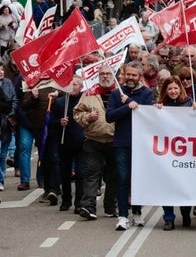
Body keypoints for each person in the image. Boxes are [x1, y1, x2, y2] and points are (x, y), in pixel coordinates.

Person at [106, 61, 155, 231]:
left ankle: (137, 212)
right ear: (124, 75)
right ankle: (123, 216)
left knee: (139, 180)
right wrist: (127, 106)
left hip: (141, 144)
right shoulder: (115, 93)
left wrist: (132, 102)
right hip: (122, 143)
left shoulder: (147, 93)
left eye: (134, 75)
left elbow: (149, 115)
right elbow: (109, 116)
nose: (131, 78)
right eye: (129, 74)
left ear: (140, 76)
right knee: (123, 179)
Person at [73, 65, 118, 220]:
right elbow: (77, 113)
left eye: (108, 74)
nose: (105, 76)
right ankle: (88, 207)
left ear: (113, 75)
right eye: (102, 74)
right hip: (93, 141)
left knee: (113, 176)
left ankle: (111, 207)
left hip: (115, 141)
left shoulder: (119, 93)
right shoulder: (90, 93)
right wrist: (87, 117)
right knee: (92, 174)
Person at [155, 76, 196, 230]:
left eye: (175, 88)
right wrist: (156, 111)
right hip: (167, 152)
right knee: (167, 185)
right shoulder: (161, 105)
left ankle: (186, 213)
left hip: (185, 152)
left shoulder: (189, 103)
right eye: (170, 89)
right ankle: (168, 218)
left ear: (180, 89)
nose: (173, 91)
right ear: (165, 91)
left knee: (184, 184)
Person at [50, 77, 85, 213]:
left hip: (81, 142)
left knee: (81, 174)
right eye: (69, 84)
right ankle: (66, 199)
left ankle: (79, 202)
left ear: (81, 87)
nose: (72, 87)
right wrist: (60, 122)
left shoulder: (85, 101)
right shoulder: (60, 103)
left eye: (75, 84)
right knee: (64, 173)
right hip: (64, 142)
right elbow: (51, 122)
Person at [0, 64, 17, 191]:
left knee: (2, 154)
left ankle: (1, 180)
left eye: (2, 70)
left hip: (5, 124)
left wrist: (11, 114)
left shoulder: (8, 83)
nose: (1, 72)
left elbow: (14, 100)